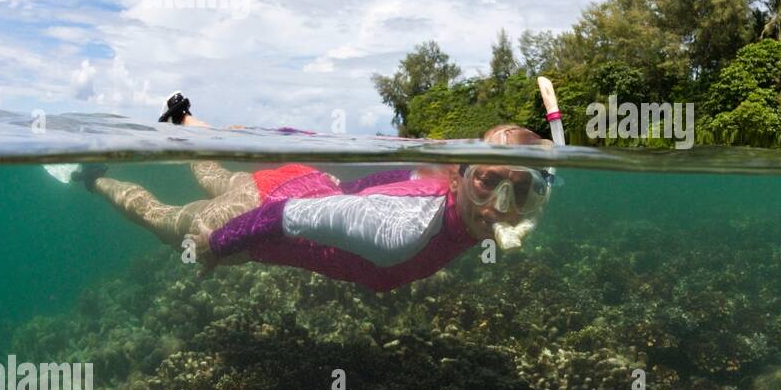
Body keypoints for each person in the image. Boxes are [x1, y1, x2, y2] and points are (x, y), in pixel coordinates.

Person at [55, 95, 553, 292]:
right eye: (487, 182)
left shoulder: (437, 186)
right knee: (165, 221)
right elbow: (289, 216)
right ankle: (93, 176)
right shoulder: (399, 234)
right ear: (460, 176)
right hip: (268, 208)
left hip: (304, 182)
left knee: (220, 177)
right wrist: (218, 244)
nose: (499, 208)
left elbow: (375, 182)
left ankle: (183, 121)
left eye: (520, 190)